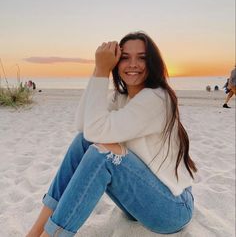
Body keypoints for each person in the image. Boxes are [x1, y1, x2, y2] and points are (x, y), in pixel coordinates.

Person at [26, 32, 197, 237]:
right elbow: (83, 126)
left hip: (172, 208)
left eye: (141, 57)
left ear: (152, 62)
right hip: (141, 201)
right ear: (116, 62)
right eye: (125, 57)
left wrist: (101, 71)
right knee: (84, 142)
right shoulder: (120, 97)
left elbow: (95, 130)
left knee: (104, 155)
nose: (133, 64)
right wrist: (99, 69)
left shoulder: (157, 99)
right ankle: (35, 232)